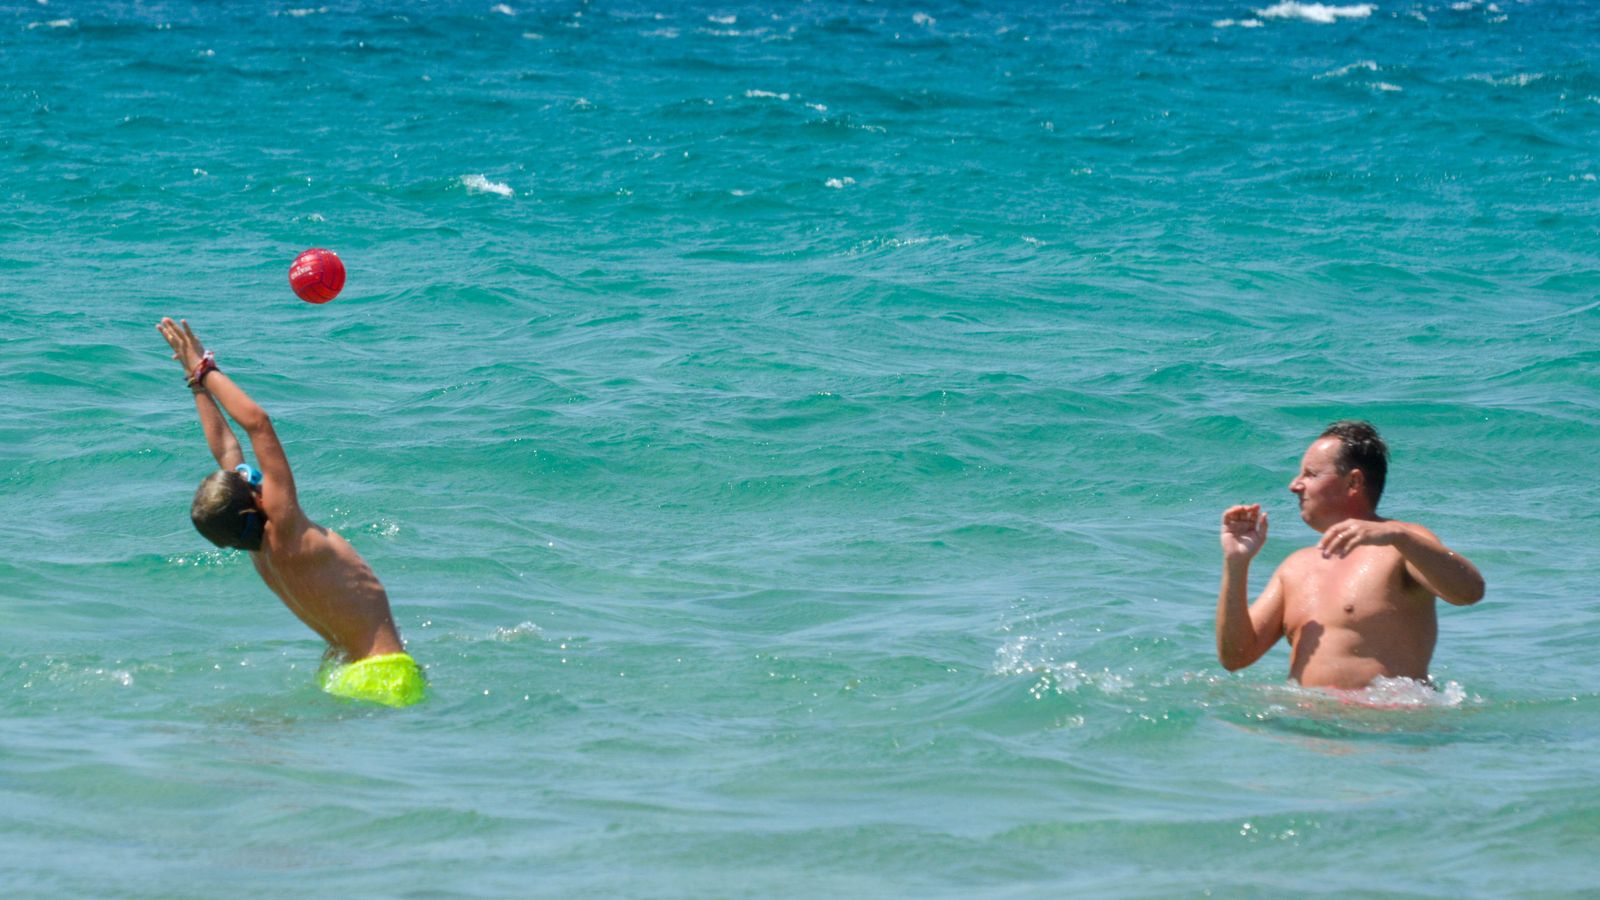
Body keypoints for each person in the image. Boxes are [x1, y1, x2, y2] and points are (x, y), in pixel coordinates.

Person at [157, 318, 424, 707]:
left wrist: (195, 385)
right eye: (253, 482)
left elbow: (227, 450)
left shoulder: (257, 549)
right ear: (256, 502)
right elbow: (258, 425)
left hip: (342, 675)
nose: (256, 478)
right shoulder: (287, 529)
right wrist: (205, 367)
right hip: (387, 674)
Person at [1215, 420, 1484, 690]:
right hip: (1306, 726)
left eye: (1310, 474)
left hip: (1384, 725)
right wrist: (1236, 563)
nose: (1294, 485)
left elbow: (1469, 592)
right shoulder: (1295, 567)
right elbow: (1235, 657)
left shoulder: (1402, 543)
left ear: (1353, 481)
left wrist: (1398, 536)